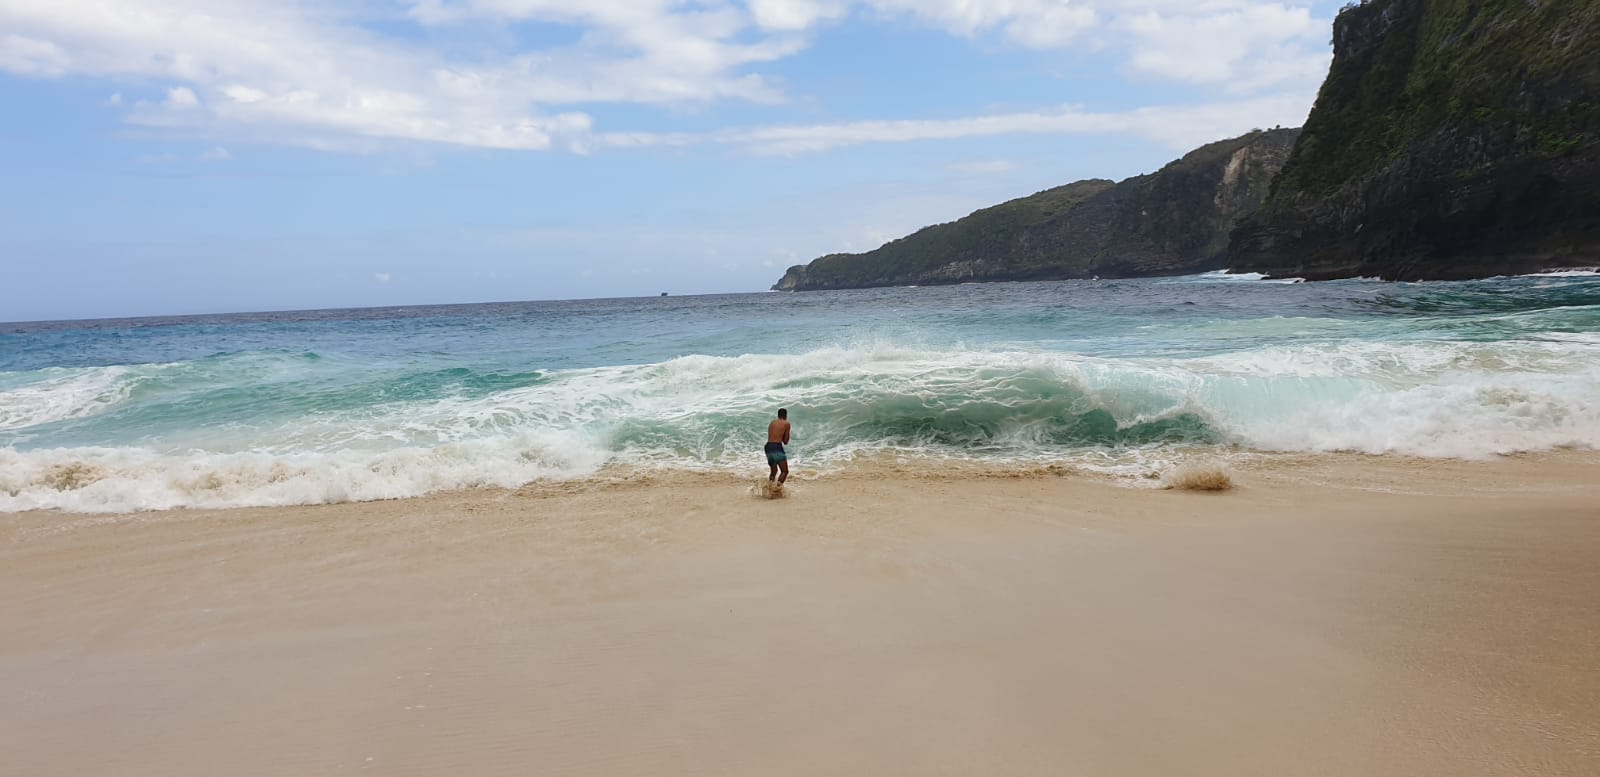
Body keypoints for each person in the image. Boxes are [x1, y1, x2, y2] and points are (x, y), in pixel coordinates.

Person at [765, 408, 791, 485]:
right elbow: (785, 442)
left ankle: (769, 488)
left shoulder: (772, 423)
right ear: (786, 415)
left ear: (778, 415)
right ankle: (777, 490)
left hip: (768, 446)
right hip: (776, 447)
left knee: (774, 471)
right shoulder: (786, 424)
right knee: (784, 471)